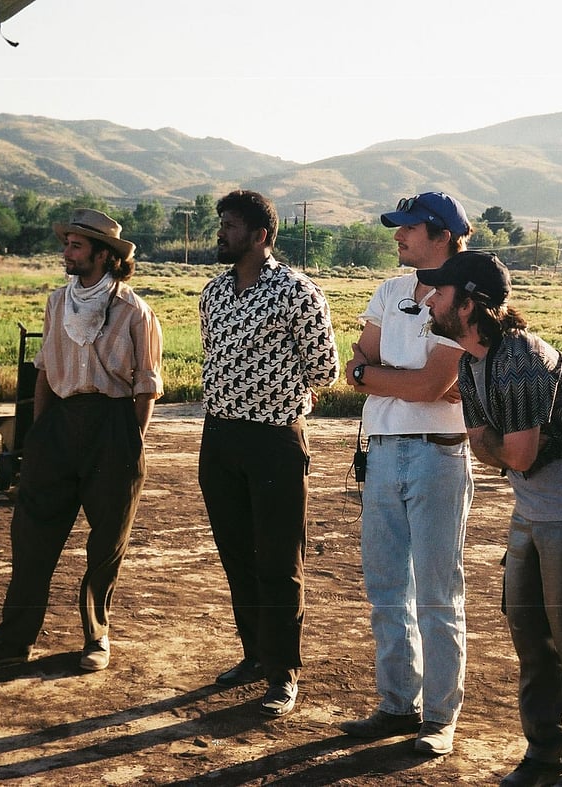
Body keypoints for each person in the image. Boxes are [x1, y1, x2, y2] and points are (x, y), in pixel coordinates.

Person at [422, 251, 562, 787]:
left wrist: (491, 443)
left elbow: (518, 455)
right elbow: (492, 445)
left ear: (469, 303)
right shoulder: (471, 361)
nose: (428, 300)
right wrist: (493, 444)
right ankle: (545, 753)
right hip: (534, 507)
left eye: (439, 293)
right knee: (530, 633)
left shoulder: (521, 359)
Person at [0, 208, 163, 673]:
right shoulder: (58, 302)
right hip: (58, 425)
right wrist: (37, 435)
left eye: (76, 246)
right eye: (68, 244)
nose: (66, 252)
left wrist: (130, 443)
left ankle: (96, 637)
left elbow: (146, 386)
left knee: (106, 544)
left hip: (113, 427)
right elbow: (42, 370)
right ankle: (14, 641)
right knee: (31, 537)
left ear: (103, 254)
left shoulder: (134, 309)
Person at [339, 192, 474, 757]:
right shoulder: (392, 291)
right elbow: (355, 365)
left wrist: (375, 374)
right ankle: (398, 703)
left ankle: (440, 717)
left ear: (440, 233)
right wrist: (382, 374)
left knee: (437, 592)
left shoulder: (463, 296)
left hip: (439, 451)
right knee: (386, 587)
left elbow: (432, 387)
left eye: (407, 228)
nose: (397, 237)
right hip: (386, 448)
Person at [198, 189, 339, 718]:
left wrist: (276, 392)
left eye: (231, 226)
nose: (222, 233)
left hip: (276, 438)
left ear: (259, 235)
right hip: (220, 437)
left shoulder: (299, 293)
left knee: (279, 559)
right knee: (237, 554)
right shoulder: (213, 294)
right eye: (223, 224)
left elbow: (324, 368)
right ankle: (254, 654)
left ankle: (283, 672)